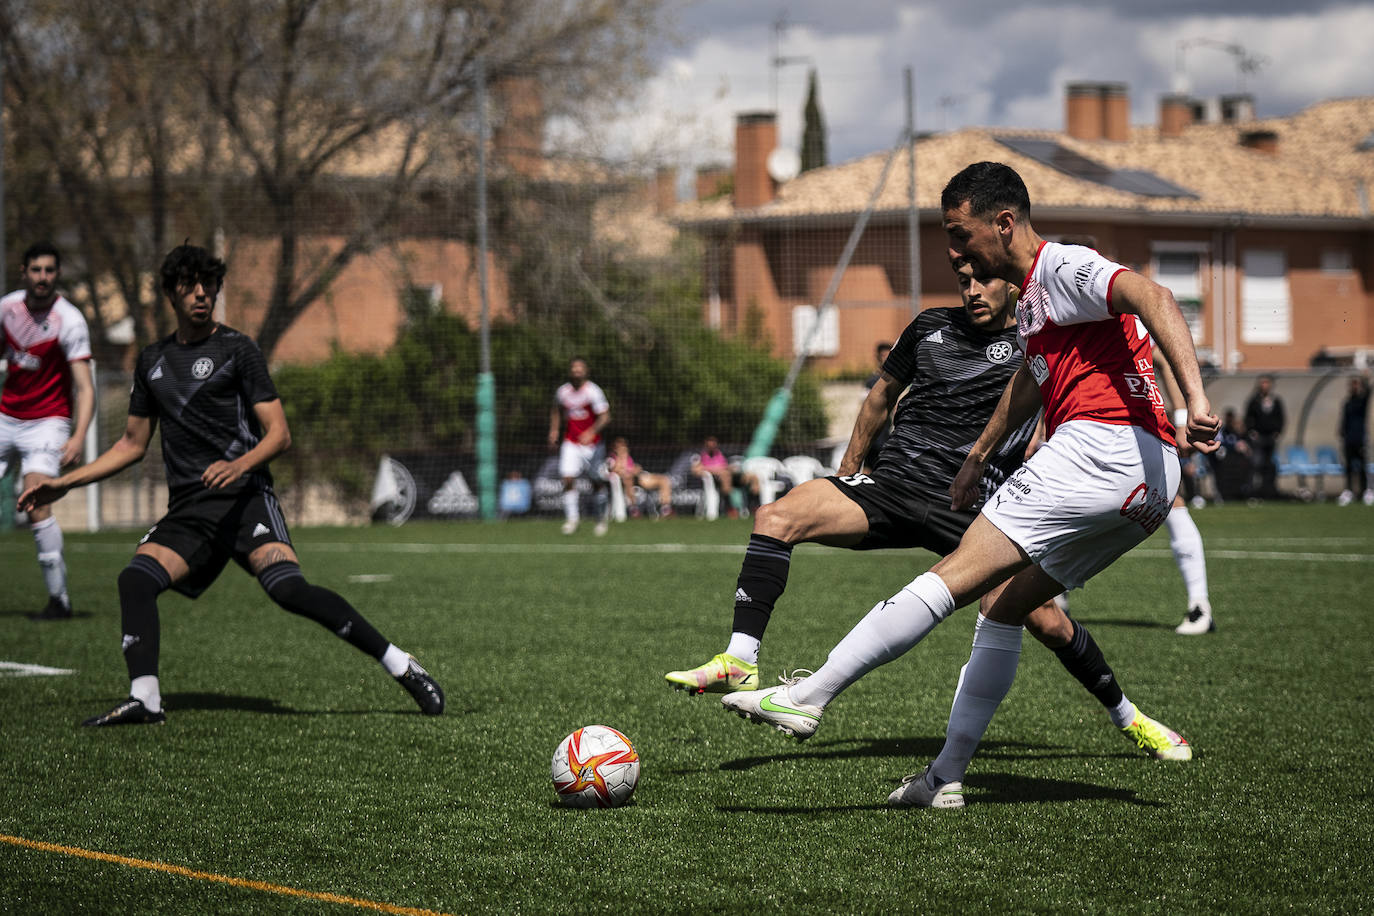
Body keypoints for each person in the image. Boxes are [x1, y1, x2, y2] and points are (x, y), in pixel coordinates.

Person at [721, 162, 1218, 808]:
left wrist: (1195, 400)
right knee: (1002, 605)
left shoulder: (1061, 266)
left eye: (961, 236)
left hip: (1103, 447)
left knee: (953, 575)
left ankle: (806, 698)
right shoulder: (1037, 308)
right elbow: (1031, 380)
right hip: (1144, 488)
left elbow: (1155, 297)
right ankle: (943, 778)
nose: (954, 253)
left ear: (1004, 223)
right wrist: (979, 454)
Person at [668, 253, 1191, 762]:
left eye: (983, 279)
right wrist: (849, 471)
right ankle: (741, 658)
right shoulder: (928, 327)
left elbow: (1098, 374)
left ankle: (1129, 717)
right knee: (776, 517)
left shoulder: (1038, 337)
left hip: (975, 508)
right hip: (894, 486)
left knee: (1046, 622)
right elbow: (879, 399)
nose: (972, 290)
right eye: (963, 280)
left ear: (1012, 284)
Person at [18, 244, 444, 725]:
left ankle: (401, 664)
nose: (201, 294)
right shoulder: (153, 360)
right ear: (171, 294)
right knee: (135, 580)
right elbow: (131, 445)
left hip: (245, 502)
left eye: (209, 285)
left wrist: (239, 466)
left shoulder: (238, 350)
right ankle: (146, 699)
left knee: (289, 591)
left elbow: (279, 434)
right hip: (191, 512)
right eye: (189, 285)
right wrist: (63, 484)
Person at [1, 242, 94, 620]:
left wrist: (78, 436)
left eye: (50, 271)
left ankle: (59, 600)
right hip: (6, 416)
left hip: (48, 421)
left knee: (36, 499)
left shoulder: (69, 320)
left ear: (57, 274)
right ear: (24, 271)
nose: (43, 277)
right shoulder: (6, 309)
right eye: (36, 270)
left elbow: (85, 387)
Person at [547, 357, 610, 536]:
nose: (576, 371)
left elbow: (605, 417)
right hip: (571, 442)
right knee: (567, 478)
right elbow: (556, 410)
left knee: (595, 481)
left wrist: (591, 432)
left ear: (586, 371)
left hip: (593, 444)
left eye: (580, 368)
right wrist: (554, 431)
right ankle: (572, 519)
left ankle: (600, 518)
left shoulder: (593, 391)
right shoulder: (563, 392)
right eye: (574, 368)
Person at [691, 436, 757, 518]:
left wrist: (729, 468)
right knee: (725, 476)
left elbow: (727, 466)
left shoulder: (720, 454)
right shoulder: (700, 456)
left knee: (751, 476)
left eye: (714, 445)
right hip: (716, 479)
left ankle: (754, 504)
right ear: (706, 445)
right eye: (710, 445)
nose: (712, 447)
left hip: (729, 475)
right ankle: (731, 507)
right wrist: (715, 469)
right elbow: (696, 470)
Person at [607, 436, 673, 517]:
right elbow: (614, 470)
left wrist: (635, 469)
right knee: (628, 479)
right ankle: (633, 508)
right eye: (620, 447)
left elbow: (637, 468)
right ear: (615, 448)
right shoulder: (612, 458)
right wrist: (624, 465)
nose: (623, 449)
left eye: (624, 446)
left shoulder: (629, 458)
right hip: (625, 481)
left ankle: (665, 509)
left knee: (663, 479)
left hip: (639, 478)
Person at [1244, 375, 1284, 498]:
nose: (1265, 386)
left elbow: (1281, 418)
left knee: (1270, 465)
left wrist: (1277, 431)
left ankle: (1269, 491)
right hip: (1258, 438)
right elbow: (1248, 418)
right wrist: (1252, 431)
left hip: (1270, 438)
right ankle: (1253, 492)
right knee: (1256, 463)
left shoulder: (1275, 401)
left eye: (1267, 383)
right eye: (1263, 383)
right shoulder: (1254, 401)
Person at [1337, 374, 1371, 506]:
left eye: (1357, 384)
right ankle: (1349, 491)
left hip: (1359, 439)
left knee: (1362, 466)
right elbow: (1344, 419)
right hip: (1348, 440)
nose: (1354, 387)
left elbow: (1368, 392)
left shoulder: (1361, 401)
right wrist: (1341, 431)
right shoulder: (1347, 402)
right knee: (1349, 467)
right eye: (1353, 384)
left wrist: (1366, 379)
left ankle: (1365, 492)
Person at [862, 341, 894, 471]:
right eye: (883, 355)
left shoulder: (894, 380)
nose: (886, 358)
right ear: (878, 357)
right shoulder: (871, 382)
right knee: (869, 465)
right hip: (873, 432)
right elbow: (864, 406)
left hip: (886, 431)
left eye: (889, 355)